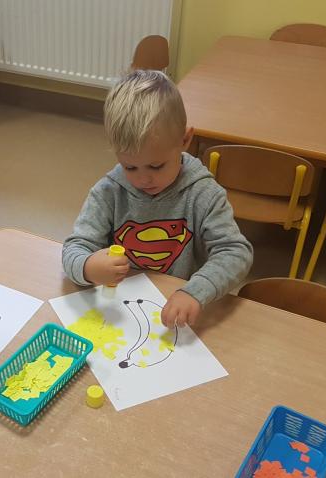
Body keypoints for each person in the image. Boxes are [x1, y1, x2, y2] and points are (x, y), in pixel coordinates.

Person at [62, 70, 253, 327]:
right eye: (130, 167)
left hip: (174, 306)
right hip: (119, 310)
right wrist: (87, 266)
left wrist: (195, 291)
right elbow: (73, 248)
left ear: (185, 140)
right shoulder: (108, 192)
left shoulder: (204, 194)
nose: (143, 179)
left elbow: (235, 252)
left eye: (156, 166)